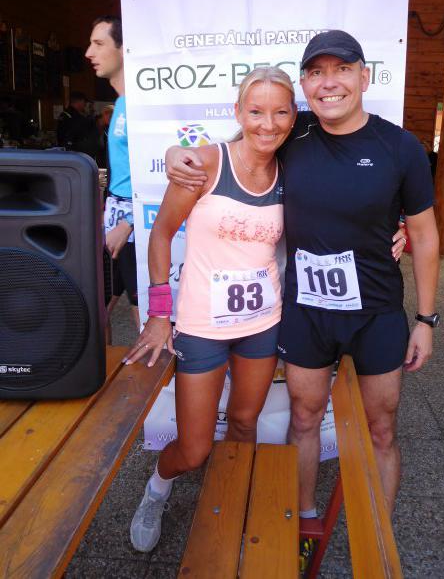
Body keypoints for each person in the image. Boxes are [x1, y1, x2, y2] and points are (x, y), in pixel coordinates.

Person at [125, 66, 409, 553]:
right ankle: (157, 487)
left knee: (243, 424)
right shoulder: (205, 164)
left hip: (262, 323)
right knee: (193, 448)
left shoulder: (291, 169)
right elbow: (161, 234)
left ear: (292, 118)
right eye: (256, 111)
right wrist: (157, 313)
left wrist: (398, 226)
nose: (268, 123)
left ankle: (229, 499)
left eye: (280, 113)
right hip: (202, 325)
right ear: (238, 112)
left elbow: (348, 200)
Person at [166, 30, 440, 519]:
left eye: (342, 70)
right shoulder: (292, 132)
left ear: (365, 77)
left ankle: (379, 537)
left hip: (376, 311)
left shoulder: (401, 147)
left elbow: (425, 234)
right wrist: (176, 155)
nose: (328, 83)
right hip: (307, 311)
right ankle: (302, 521)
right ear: (305, 85)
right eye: (316, 72)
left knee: (382, 428)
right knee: (305, 417)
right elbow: (236, 145)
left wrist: (425, 319)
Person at [85, 17, 140, 337]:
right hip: (115, 218)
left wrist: (130, 222)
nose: (89, 53)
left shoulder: (142, 104)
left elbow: (159, 172)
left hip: (133, 226)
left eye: (99, 44)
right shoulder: (120, 103)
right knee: (98, 310)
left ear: (123, 48)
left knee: (146, 318)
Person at [56, 91, 98, 157]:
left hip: (64, 151)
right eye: (85, 102)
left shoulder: (64, 114)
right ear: (80, 101)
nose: (85, 104)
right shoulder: (74, 117)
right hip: (73, 153)